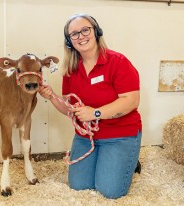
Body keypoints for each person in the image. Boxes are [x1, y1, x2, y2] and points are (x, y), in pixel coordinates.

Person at [38, 13, 142, 199]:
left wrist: (95, 113)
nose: (81, 36)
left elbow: (131, 100)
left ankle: (130, 159)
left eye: (85, 30)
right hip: (86, 137)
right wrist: (52, 96)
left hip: (119, 135)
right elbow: (70, 109)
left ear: (96, 32)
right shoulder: (71, 69)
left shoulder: (118, 62)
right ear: (69, 41)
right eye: (74, 34)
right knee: (79, 186)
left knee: (109, 191)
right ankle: (111, 161)